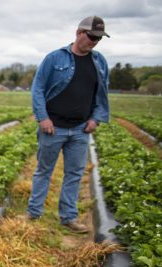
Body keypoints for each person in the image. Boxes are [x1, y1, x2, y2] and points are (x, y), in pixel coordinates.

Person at [27, 16, 110, 233]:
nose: (94, 42)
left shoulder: (99, 62)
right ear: (79, 33)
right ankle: (34, 213)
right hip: (53, 127)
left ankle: (68, 217)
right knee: (44, 171)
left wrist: (95, 119)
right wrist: (43, 117)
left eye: (99, 39)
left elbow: (101, 94)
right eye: (92, 36)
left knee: (74, 174)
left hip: (81, 129)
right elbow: (38, 89)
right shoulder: (54, 59)